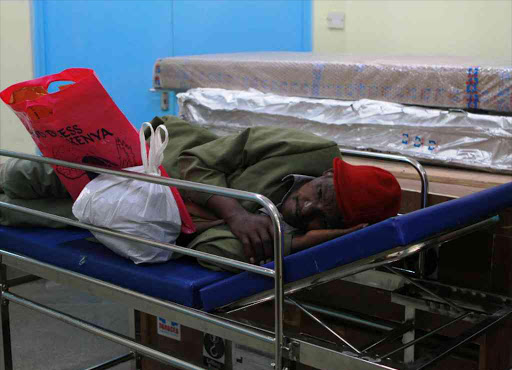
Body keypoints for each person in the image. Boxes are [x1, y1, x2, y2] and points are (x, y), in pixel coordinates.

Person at [0, 116, 401, 271]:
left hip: (148, 218)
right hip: (148, 162)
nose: (308, 204)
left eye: (323, 216)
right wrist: (236, 214)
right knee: (23, 175)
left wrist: (297, 242)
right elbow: (196, 161)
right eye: (321, 193)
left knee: (18, 211)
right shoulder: (308, 150)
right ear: (329, 174)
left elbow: (213, 253)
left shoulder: (286, 232)